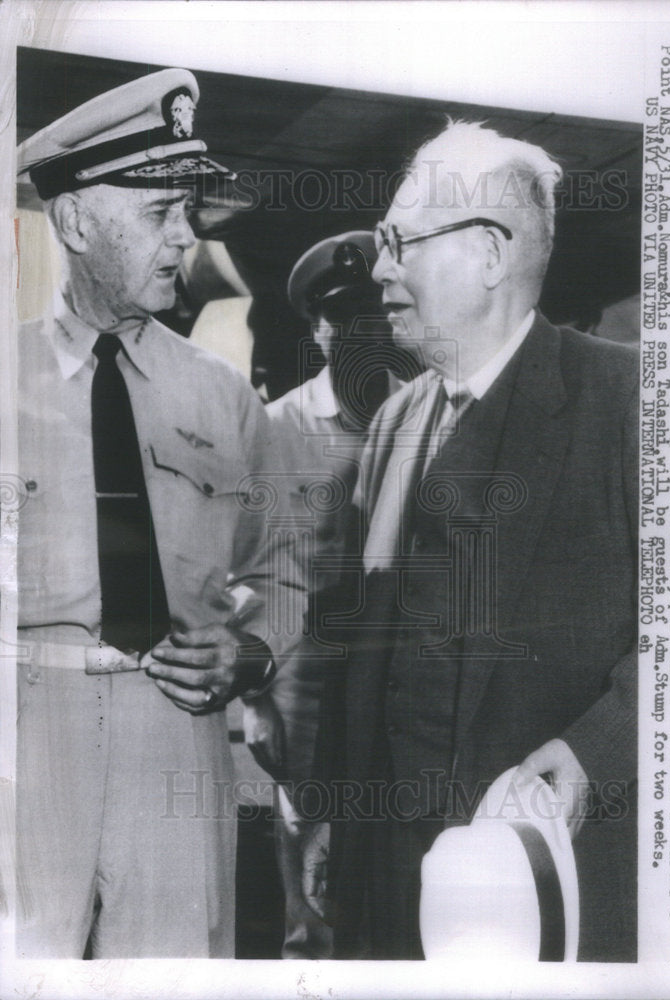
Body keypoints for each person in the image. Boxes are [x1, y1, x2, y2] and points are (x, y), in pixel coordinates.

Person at [323, 121, 638, 961]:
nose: (379, 267)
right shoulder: (394, 422)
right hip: (390, 883)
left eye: (399, 242)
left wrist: (594, 750)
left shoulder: (631, 404)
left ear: (491, 255)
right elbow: (359, 644)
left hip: (547, 888)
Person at [14, 69, 304, 958]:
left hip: (174, 727)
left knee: (174, 972)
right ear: (74, 223)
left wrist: (249, 652)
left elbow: (286, 570)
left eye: (189, 212)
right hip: (24, 731)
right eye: (157, 213)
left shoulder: (223, 398)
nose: (185, 238)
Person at [257, 231, 403, 957]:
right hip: (306, 677)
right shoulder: (278, 428)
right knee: (306, 846)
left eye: (373, 319)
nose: (360, 336)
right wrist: (259, 701)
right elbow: (250, 572)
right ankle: (305, 956)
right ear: (319, 329)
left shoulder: (424, 415)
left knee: (383, 844)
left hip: (392, 669)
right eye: (344, 322)